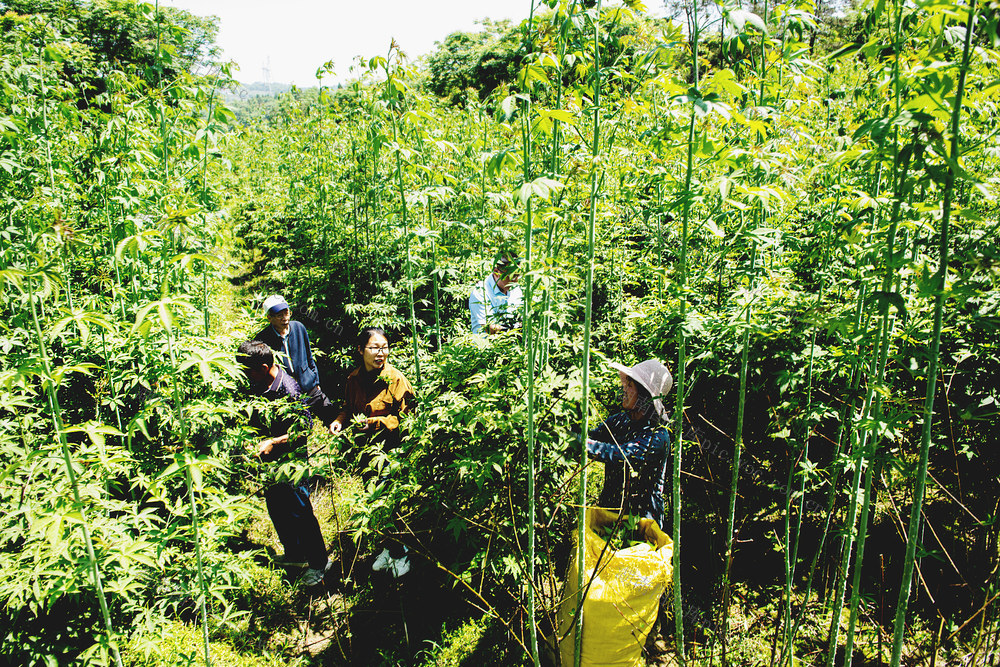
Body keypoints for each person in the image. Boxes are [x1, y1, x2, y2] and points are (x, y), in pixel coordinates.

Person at [237, 340, 331, 587]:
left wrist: (273, 442)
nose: (247, 377)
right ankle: (296, 555)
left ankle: (320, 564)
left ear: (265, 366)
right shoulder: (260, 382)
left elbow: (305, 428)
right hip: (270, 462)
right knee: (277, 508)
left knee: (301, 511)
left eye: (249, 371)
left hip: (292, 462)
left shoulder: (287, 389)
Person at [329, 326, 416, 576]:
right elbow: (348, 407)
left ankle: (402, 554)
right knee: (375, 501)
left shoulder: (396, 379)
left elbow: (408, 419)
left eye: (384, 347)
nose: (381, 353)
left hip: (392, 451)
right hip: (365, 452)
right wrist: (339, 420)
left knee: (392, 502)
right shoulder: (353, 379)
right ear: (360, 350)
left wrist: (377, 422)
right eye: (374, 347)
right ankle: (388, 548)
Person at [585, 359, 673, 529]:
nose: (623, 389)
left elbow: (619, 455)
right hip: (610, 513)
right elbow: (592, 437)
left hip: (642, 524)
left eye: (630, 385)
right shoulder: (620, 421)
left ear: (645, 396)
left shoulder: (657, 436)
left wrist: (578, 444)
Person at [254, 295, 336, 430]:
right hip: (287, 395)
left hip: (309, 387)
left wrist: (315, 382)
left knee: (333, 417)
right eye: (279, 315)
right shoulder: (262, 339)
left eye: (286, 312)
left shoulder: (298, 328)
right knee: (298, 433)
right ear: (269, 318)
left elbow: (309, 357)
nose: (285, 318)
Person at [469, 255, 523, 334]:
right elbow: (490, 328)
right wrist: (514, 329)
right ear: (497, 272)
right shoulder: (481, 291)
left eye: (517, 275)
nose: (515, 281)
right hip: (486, 344)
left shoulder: (516, 289)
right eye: (511, 276)